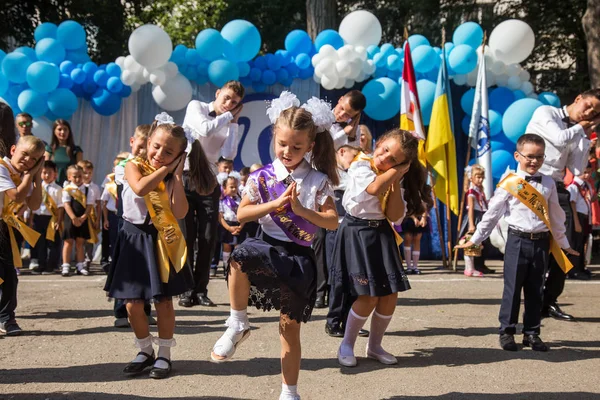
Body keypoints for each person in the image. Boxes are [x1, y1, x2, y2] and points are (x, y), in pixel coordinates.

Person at [210, 92, 339, 400]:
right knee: (240, 256)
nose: (288, 151)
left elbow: (332, 222)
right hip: (266, 249)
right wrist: (273, 205)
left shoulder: (317, 179)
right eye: (282, 144)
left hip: (298, 259)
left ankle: (289, 392)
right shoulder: (262, 176)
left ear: (310, 145)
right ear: (273, 138)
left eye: (297, 146)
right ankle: (238, 323)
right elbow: (242, 213)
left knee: (289, 329)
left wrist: (301, 210)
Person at [104, 114, 206, 379]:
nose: (160, 153)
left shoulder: (171, 178)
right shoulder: (131, 165)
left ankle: (164, 354)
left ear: (179, 155)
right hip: (132, 239)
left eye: (169, 152)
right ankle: (144, 349)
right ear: (148, 142)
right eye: (156, 146)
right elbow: (139, 188)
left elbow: (180, 212)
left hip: (160, 240)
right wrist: (165, 170)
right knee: (132, 304)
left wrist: (177, 178)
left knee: (163, 301)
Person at [457, 134, 578, 352]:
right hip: (517, 241)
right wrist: (474, 240)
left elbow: (557, 217)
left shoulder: (549, 182)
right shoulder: (509, 183)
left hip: (541, 243)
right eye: (530, 156)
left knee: (535, 289)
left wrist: (564, 243)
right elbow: (492, 215)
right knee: (512, 289)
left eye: (539, 157)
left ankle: (532, 333)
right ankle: (507, 331)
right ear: (517, 155)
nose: (534, 161)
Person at [333, 129, 428, 368]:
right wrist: (397, 170)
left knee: (389, 295)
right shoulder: (362, 164)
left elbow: (395, 214)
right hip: (357, 232)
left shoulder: (394, 177)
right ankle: (346, 344)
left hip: (381, 234)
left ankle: (375, 346)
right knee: (368, 296)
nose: (385, 158)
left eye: (393, 159)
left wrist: (396, 179)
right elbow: (374, 189)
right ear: (381, 141)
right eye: (385, 150)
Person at [526, 88, 600, 321]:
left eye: (595, 112)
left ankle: (549, 302)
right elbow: (558, 138)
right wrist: (581, 128)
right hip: (533, 184)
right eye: (588, 106)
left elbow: (577, 169)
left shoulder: (579, 131)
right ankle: (531, 302)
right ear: (578, 98)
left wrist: (586, 138)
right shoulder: (546, 112)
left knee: (567, 247)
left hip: (557, 187)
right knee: (536, 246)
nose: (588, 113)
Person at [179, 80, 243, 308]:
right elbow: (205, 128)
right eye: (226, 98)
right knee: (186, 236)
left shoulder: (228, 122)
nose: (228, 104)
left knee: (207, 238)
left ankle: (201, 289)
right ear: (217, 93)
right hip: (186, 176)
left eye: (234, 102)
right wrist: (228, 116)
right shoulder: (196, 106)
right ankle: (185, 290)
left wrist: (234, 123)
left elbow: (229, 153)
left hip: (209, 179)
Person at [0, 135, 45, 336]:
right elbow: (17, 196)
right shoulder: (2, 167)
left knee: (9, 273)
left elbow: (34, 204)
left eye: (34, 159)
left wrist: (37, 176)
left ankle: (6, 317)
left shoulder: (24, 174)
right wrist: (30, 174)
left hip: (6, 227)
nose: (27, 160)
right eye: (24, 154)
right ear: (12, 150)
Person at [112, 126, 154, 329]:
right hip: (127, 224)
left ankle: (145, 309)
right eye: (139, 146)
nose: (142, 151)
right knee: (126, 268)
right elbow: (138, 187)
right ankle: (121, 309)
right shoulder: (123, 166)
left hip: (149, 224)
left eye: (147, 147)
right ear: (131, 141)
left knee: (147, 268)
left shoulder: (151, 167)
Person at [324, 144, 363, 337]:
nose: (355, 160)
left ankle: (351, 321)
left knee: (355, 278)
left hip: (354, 230)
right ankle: (333, 321)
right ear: (341, 152)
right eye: (353, 156)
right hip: (336, 230)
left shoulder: (354, 172)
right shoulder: (331, 172)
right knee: (338, 278)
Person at [29, 160, 63, 275]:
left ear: (55, 173)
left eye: (49, 172)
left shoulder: (58, 189)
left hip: (51, 219)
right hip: (39, 218)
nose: (46, 175)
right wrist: (31, 219)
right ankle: (41, 264)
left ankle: (51, 266)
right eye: (44, 172)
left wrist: (58, 220)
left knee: (52, 243)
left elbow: (60, 207)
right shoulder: (37, 187)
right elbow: (33, 205)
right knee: (40, 243)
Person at [61, 165, 94, 277]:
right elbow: (66, 204)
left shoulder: (87, 189)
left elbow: (89, 206)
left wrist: (83, 217)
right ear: (69, 177)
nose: (78, 179)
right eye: (75, 176)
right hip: (70, 219)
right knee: (68, 242)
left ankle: (80, 266)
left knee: (80, 242)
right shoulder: (67, 189)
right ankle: (66, 266)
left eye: (80, 176)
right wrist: (73, 218)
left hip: (82, 218)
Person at [457, 165, 489, 277]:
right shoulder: (471, 192)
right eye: (478, 177)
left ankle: (473, 267)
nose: (480, 179)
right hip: (474, 217)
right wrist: (471, 224)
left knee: (477, 244)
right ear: (471, 178)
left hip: (480, 216)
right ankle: (469, 268)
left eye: (482, 177)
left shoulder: (479, 190)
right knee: (470, 243)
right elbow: (470, 208)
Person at [567, 163, 594, 280]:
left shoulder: (586, 185)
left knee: (583, 243)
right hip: (577, 217)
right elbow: (572, 204)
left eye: (589, 172)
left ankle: (581, 267)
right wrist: (576, 222)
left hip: (585, 217)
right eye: (585, 172)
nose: (587, 175)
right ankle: (573, 270)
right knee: (575, 244)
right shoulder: (573, 186)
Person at [100, 155, 126, 268]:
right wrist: (105, 219)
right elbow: (104, 203)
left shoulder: (127, 183)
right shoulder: (109, 185)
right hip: (112, 215)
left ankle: (122, 261)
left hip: (124, 215)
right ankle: (113, 261)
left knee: (123, 238)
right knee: (113, 239)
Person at [401, 184, 433, 275]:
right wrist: (414, 218)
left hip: (420, 218)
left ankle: (415, 266)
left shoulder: (424, 192)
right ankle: (408, 267)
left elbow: (425, 207)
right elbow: (405, 207)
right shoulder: (407, 191)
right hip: (409, 218)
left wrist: (423, 218)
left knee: (417, 240)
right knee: (407, 240)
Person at [217, 171, 245, 271]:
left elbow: (244, 214)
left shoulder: (240, 200)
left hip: (238, 225)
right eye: (231, 187)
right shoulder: (222, 201)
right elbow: (220, 217)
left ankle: (237, 268)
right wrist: (229, 228)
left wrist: (240, 226)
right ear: (224, 188)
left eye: (235, 187)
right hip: (227, 226)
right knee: (227, 246)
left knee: (237, 247)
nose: (234, 189)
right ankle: (226, 266)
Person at [45, 119, 83, 186]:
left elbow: (80, 172)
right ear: (54, 131)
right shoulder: (49, 149)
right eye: (59, 129)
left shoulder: (76, 150)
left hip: (70, 187)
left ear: (69, 132)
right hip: (53, 187)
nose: (62, 132)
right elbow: (45, 169)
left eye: (65, 129)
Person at [78, 160, 101, 268]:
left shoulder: (95, 187)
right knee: (79, 239)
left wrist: (97, 220)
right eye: (84, 173)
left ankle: (87, 260)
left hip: (91, 217)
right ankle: (79, 261)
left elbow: (98, 204)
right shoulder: (75, 188)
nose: (87, 175)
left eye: (89, 173)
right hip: (79, 216)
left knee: (89, 240)